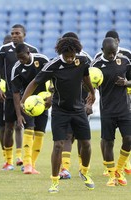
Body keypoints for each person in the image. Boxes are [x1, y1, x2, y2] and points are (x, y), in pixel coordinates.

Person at [21, 37, 95, 193]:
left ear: (76, 52)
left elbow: (85, 76)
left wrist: (92, 92)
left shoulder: (81, 61)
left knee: (86, 144)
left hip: (78, 109)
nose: (70, 58)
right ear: (61, 52)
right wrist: (23, 100)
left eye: (72, 55)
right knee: (58, 145)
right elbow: (35, 82)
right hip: (59, 110)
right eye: (67, 55)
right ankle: (54, 182)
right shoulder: (53, 65)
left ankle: (85, 172)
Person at [0, 24, 38, 170]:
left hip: (29, 98)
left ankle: (25, 159)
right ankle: (8, 161)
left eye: (17, 33)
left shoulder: (33, 50)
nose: (14, 36)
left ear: (24, 35)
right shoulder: (4, 50)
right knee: (8, 127)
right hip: (9, 94)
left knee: (29, 127)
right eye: (12, 33)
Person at [91, 37, 131, 186]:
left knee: (129, 139)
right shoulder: (96, 65)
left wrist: (126, 83)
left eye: (114, 53)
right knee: (108, 142)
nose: (112, 56)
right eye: (109, 53)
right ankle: (111, 176)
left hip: (125, 108)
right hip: (107, 109)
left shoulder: (125, 61)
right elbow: (89, 86)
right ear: (102, 51)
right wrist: (89, 100)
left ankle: (119, 170)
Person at [58, 32, 93, 179]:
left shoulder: (85, 59)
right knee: (69, 135)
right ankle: (65, 168)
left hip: (82, 102)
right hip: (67, 103)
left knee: (81, 137)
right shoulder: (59, 60)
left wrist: (90, 101)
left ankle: (82, 168)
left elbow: (92, 80)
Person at [11, 43, 49, 174]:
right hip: (27, 104)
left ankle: (33, 164)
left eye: (23, 57)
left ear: (28, 52)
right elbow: (15, 93)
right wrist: (18, 115)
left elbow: (54, 76)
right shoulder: (16, 68)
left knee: (40, 133)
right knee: (29, 129)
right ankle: (27, 164)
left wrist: (52, 95)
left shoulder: (42, 60)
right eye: (19, 58)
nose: (21, 60)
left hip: (43, 102)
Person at [0, 35, 12, 164]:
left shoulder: (18, 58)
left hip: (15, 96)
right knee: (3, 127)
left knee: (17, 127)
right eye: (6, 44)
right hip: (1, 97)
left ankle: (18, 156)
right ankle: (5, 154)